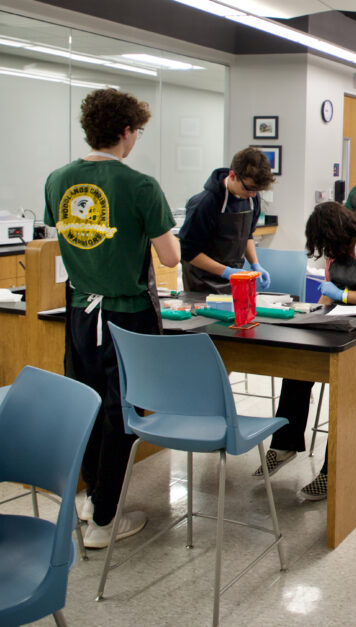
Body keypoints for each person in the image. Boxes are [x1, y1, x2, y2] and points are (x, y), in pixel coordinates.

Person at [43, 88, 180, 548]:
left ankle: (89, 500)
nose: (136, 139)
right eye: (137, 131)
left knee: (87, 404)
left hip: (81, 312)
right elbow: (170, 256)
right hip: (126, 317)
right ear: (125, 131)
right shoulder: (140, 185)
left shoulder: (57, 180)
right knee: (121, 413)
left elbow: (63, 241)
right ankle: (105, 520)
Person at [269, 201, 356, 500]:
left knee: (346, 386)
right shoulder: (335, 250)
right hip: (343, 320)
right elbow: (329, 293)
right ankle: (285, 444)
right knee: (298, 366)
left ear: (339, 231)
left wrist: (342, 295)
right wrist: (316, 314)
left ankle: (332, 472)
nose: (326, 251)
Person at [178, 147, 276, 293]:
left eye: (257, 190)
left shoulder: (252, 198)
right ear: (232, 175)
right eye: (248, 189)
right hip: (202, 283)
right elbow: (188, 252)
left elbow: (247, 235)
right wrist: (225, 272)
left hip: (234, 280)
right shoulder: (205, 204)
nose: (252, 194)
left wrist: (255, 264)